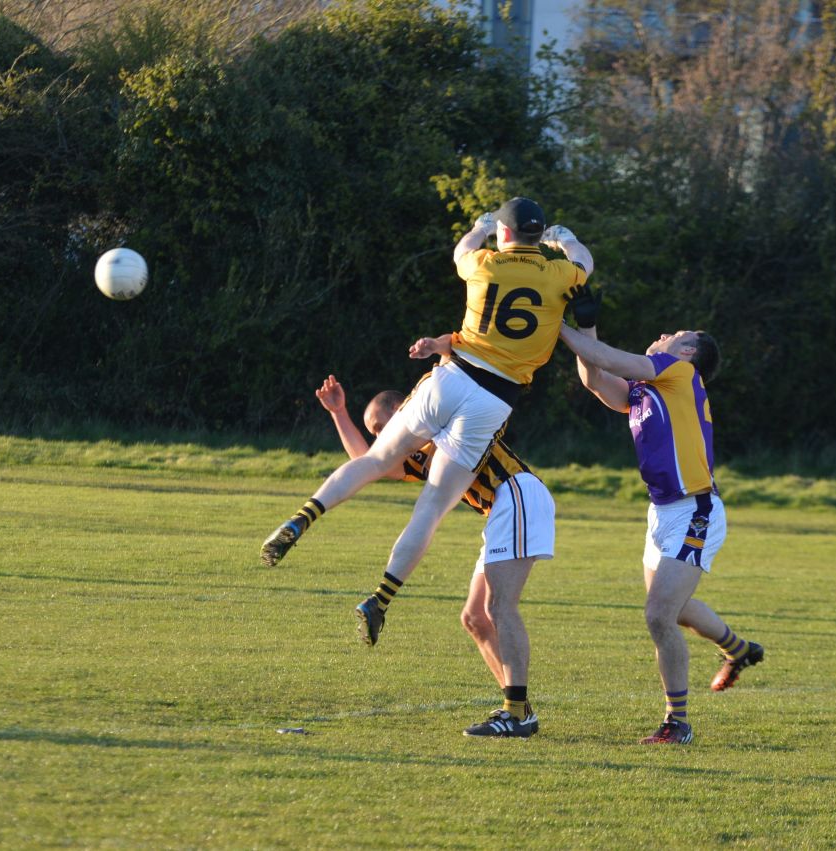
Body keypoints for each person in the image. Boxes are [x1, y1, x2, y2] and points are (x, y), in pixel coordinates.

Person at [259, 196, 595, 653]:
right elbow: (584, 263)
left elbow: (460, 251)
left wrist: (478, 227)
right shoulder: (559, 274)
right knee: (433, 505)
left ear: (505, 235)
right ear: (538, 235)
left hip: (454, 374)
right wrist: (565, 239)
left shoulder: (485, 263)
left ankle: (301, 519)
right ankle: (381, 597)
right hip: (495, 399)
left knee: (379, 458)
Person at [310, 357, 553, 738]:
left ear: (402, 408)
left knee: (499, 607)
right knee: (474, 618)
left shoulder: (443, 421)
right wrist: (339, 413)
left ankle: (516, 714)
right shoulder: (415, 454)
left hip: (517, 493)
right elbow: (370, 462)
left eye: (379, 427)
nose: (379, 437)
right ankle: (519, 708)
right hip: (500, 510)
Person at [558, 321, 764, 745]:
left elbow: (606, 359)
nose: (670, 333)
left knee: (658, 615)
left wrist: (558, 322)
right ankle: (739, 649)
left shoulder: (679, 372)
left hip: (695, 510)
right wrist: (587, 327)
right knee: (676, 609)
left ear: (688, 353)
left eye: (681, 334)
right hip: (663, 512)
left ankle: (678, 723)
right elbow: (594, 376)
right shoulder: (648, 388)